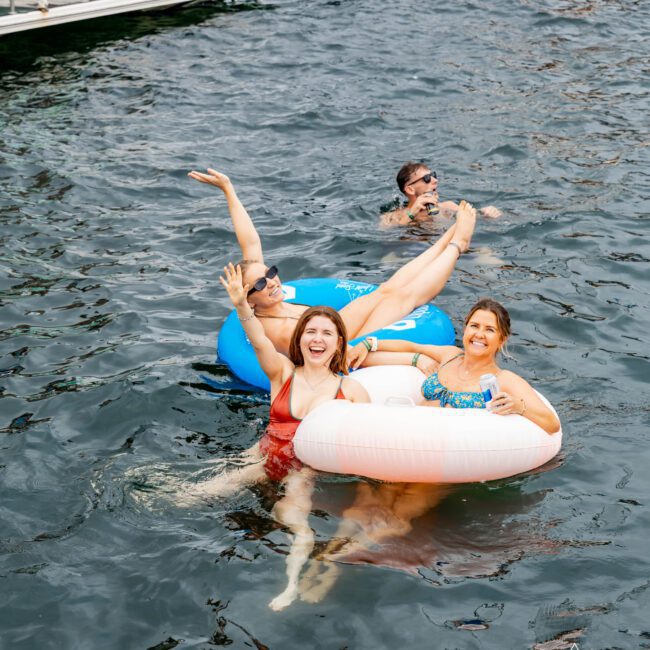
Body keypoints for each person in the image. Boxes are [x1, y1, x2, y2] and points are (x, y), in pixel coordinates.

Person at [190, 263, 370, 611]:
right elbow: (258, 341)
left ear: (339, 343)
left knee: (301, 530)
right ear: (300, 339)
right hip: (262, 456)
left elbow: (369, 444)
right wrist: (242, 306)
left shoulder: (352, 390)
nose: (317, 339)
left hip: (303, 473)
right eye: (311, 332)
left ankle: (289, 587)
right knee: (193, 495)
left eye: (326, 333)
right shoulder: (282, 372)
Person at [187, 168, 477, 369]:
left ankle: (447, 238)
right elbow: (329, 358)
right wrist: (410, 359)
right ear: (248, 299)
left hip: (336, 320)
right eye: (261, 285)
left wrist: (229, 190)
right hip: (339, 338)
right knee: (404, 298)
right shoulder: (261, 322)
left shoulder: (273, 300)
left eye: (270, 273)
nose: (272, 282)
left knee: (388, 289)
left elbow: (250, 242)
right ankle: (456, 245)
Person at [368, 297, 561, 433]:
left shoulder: (504, 380)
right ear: (465, 328)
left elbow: (552, 424)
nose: (479, 334)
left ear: (502, 340)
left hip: (446, 458)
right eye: (474, 326)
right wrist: (369, 344)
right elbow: (409, 345)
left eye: (490, 330)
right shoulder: (450, 355)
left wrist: (519, 406)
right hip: (409, 438)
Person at [381, 161, 502, 228]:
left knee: (487, 254)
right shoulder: (394, 216)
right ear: (410, 190)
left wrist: (487, 213)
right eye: (427, 178)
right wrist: (412, 213)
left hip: (448, 249)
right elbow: (386, 235)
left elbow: (474, 216)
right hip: (414, 251)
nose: (435, 180)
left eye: (434, 175)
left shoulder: (448, 207)